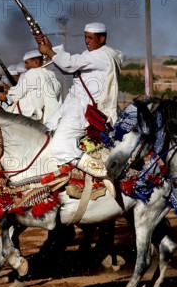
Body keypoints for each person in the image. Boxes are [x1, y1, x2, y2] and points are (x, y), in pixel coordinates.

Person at [35, 22, 123, 177]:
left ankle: (101, 171)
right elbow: (66, 65)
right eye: (85, 37)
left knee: (59, 147)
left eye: (90, 38)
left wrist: (48, 50)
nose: (86, 41)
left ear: (102, 39)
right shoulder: (95, 55)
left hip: (82, 109)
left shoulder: (101, 55)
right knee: (43, 133)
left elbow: (69, 64)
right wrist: (50, 47)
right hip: (70, 105)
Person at [0, 50, 62, 123]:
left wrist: (5, 97)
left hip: (34, 119)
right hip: (53, 115)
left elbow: (17, 94)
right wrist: (8, 89)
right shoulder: (50, 74)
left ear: (36, 62)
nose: (25, 66)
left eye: (27, 63)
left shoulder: (33, 72)